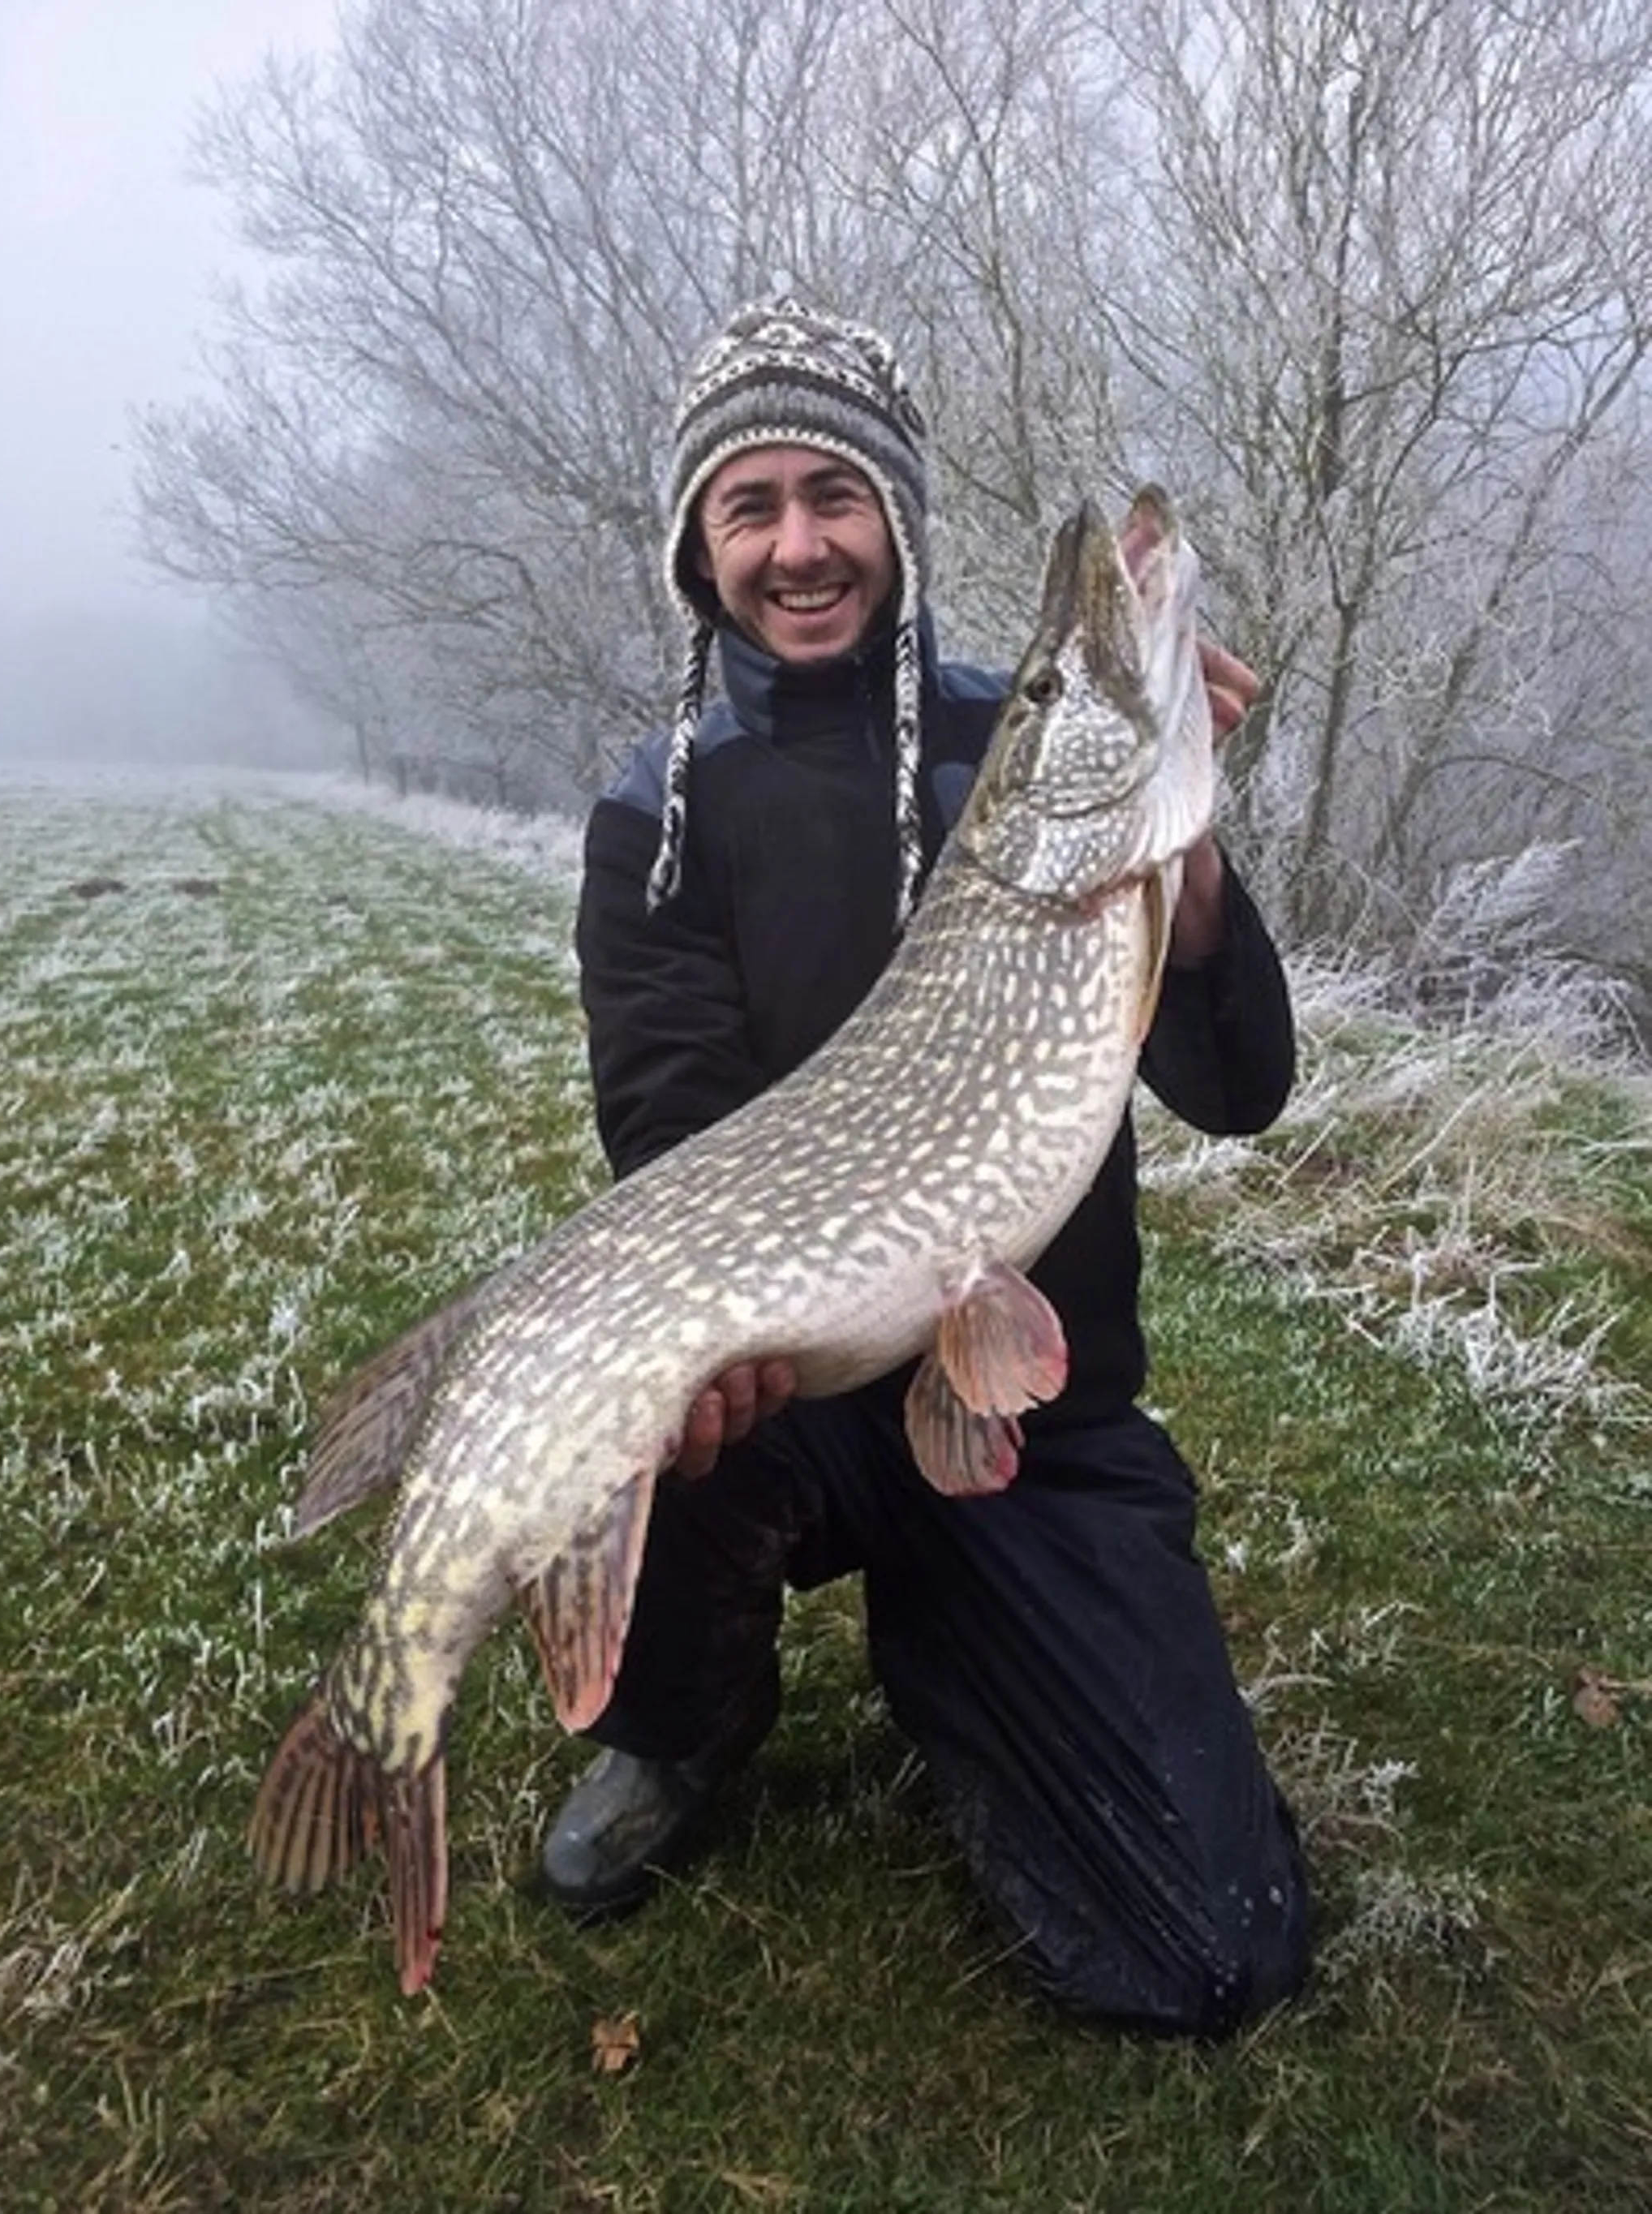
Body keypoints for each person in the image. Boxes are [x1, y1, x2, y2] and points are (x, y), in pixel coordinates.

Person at [542, 299, 1311, 2038]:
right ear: (700, 548)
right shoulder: (656, 812)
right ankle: (685, 1721)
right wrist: (719, 1344)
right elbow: (671, 1138)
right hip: (803, 1391)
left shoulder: (1001, 749)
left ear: (893, 514)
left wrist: (1186, 865)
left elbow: (1241, 1087)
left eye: (837, 494)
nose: (799, 545)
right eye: (751, 507)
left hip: (1033, 1408)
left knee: (1214, 1955)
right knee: (625, 1426)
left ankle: (958, 1622)